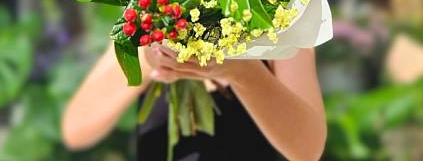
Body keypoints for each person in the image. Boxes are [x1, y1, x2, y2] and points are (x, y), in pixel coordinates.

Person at [62, 43, 326, 161]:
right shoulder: (145, 13)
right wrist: (148, 57)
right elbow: (75, 129)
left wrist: (243, 71)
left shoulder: (281, 20)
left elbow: (307, 150)